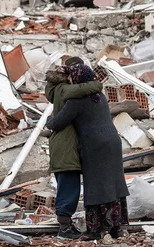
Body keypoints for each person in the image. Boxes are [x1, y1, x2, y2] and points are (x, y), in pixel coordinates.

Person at [46, 64, 130, 240]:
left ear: (76, 79)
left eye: (71, 77)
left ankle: (95, 230)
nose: (69, 80)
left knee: (96, 186)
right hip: (113, 142)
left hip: (95, 145)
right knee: (113, 184)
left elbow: (56, 123)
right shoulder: (100, 96)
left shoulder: (77, 101)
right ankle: (116, 228)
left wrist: (49, 118)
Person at [44, 59, 103, 240]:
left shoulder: (54, 90)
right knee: (69, 189)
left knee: (67, 186)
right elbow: (82, 89)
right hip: (65, 147)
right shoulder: (64, 91)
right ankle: (65, 229)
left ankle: (65, 225)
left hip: (62, 146)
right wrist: (96, 83)